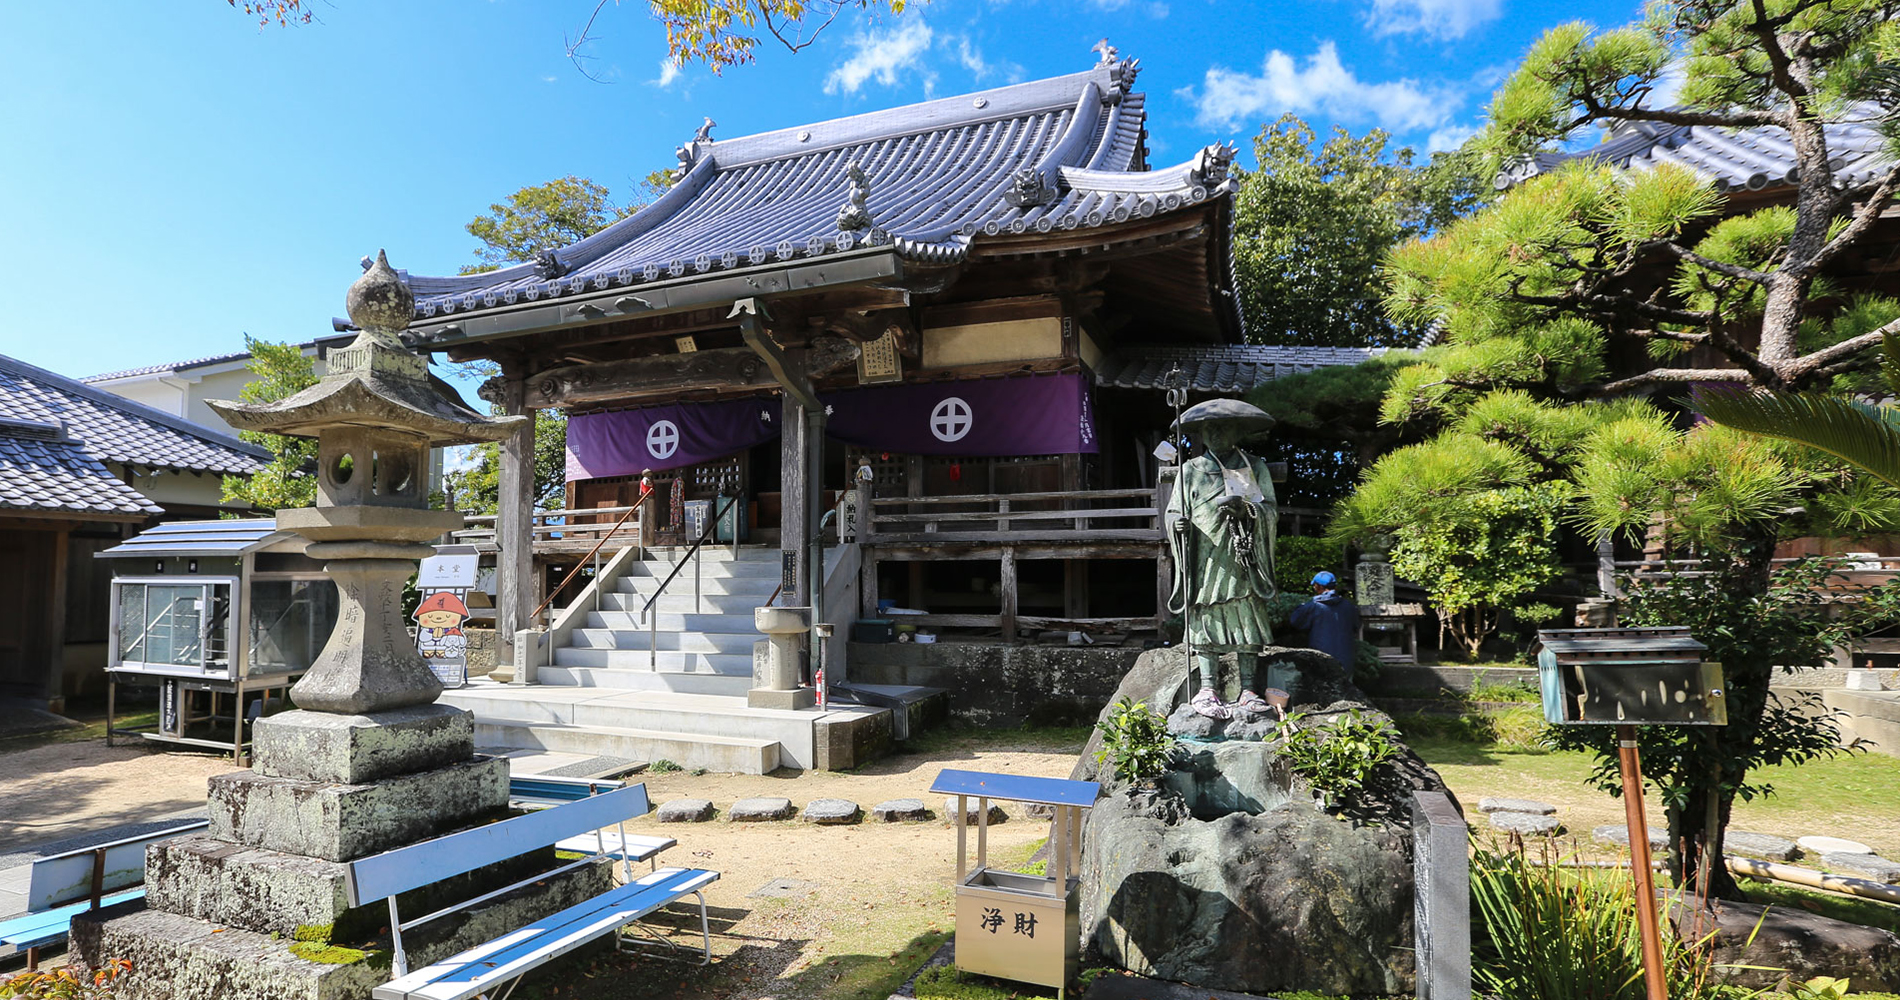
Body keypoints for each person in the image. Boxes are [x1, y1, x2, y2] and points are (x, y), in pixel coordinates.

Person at [1165, 399, 1279, 719]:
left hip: (1243, 557)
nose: (1215, 434)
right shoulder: (1190, 471)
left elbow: (1270, 508)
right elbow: (1175, 509)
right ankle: (1207, 689)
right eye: (1209, 428)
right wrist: (1176, 525)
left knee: (1246, 617)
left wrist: (1249, 510)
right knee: (1205, 617)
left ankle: (1248, 690)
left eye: (1223, 426)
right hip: (1205, 555)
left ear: (1237, 430)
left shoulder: (1254, 466)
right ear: (1200, 432)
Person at [1289, 571, 1360, 679]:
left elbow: (1296, 621)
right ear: (1335, 586)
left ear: (1319, 586)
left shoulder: (1313, 606)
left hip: (1320, 659)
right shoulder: (1349, 607)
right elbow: (1356, 626)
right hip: (1346, 660)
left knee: (1321, 691)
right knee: (1345, 691)